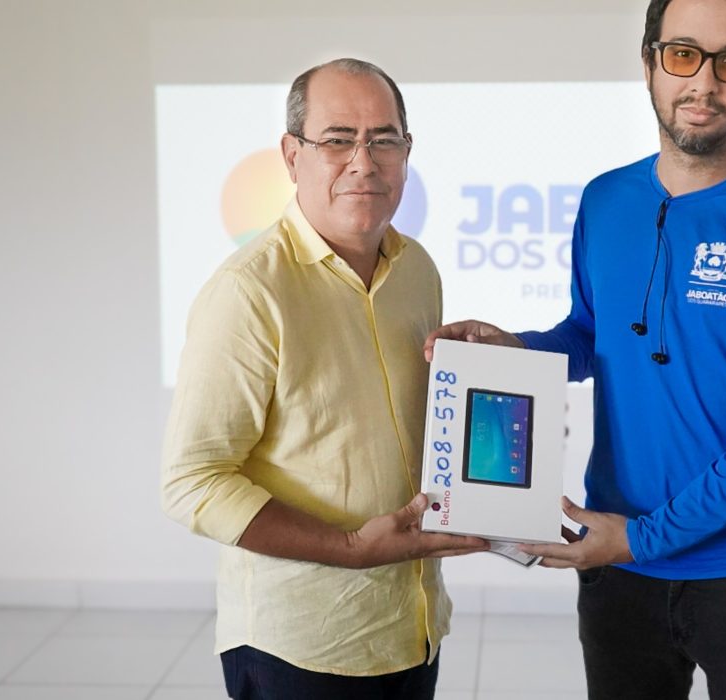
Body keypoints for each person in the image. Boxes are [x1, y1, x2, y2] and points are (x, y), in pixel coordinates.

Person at [424, 0, 726, 697]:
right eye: (683, 54)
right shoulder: (606, 199)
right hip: (620, 566)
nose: (703, 83)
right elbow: (590, 335)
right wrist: (514, 350)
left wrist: (644, 537)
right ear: (650, 60)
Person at [161, 58, 488, 700]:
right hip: (302, 645)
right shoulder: (248, 292)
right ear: (292, 155)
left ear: (406, 152)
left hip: (412, 625)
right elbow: (190, 482)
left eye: (383, 139)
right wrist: (350, 546)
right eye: (338, 139)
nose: (364, 162)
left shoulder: (417, 268)